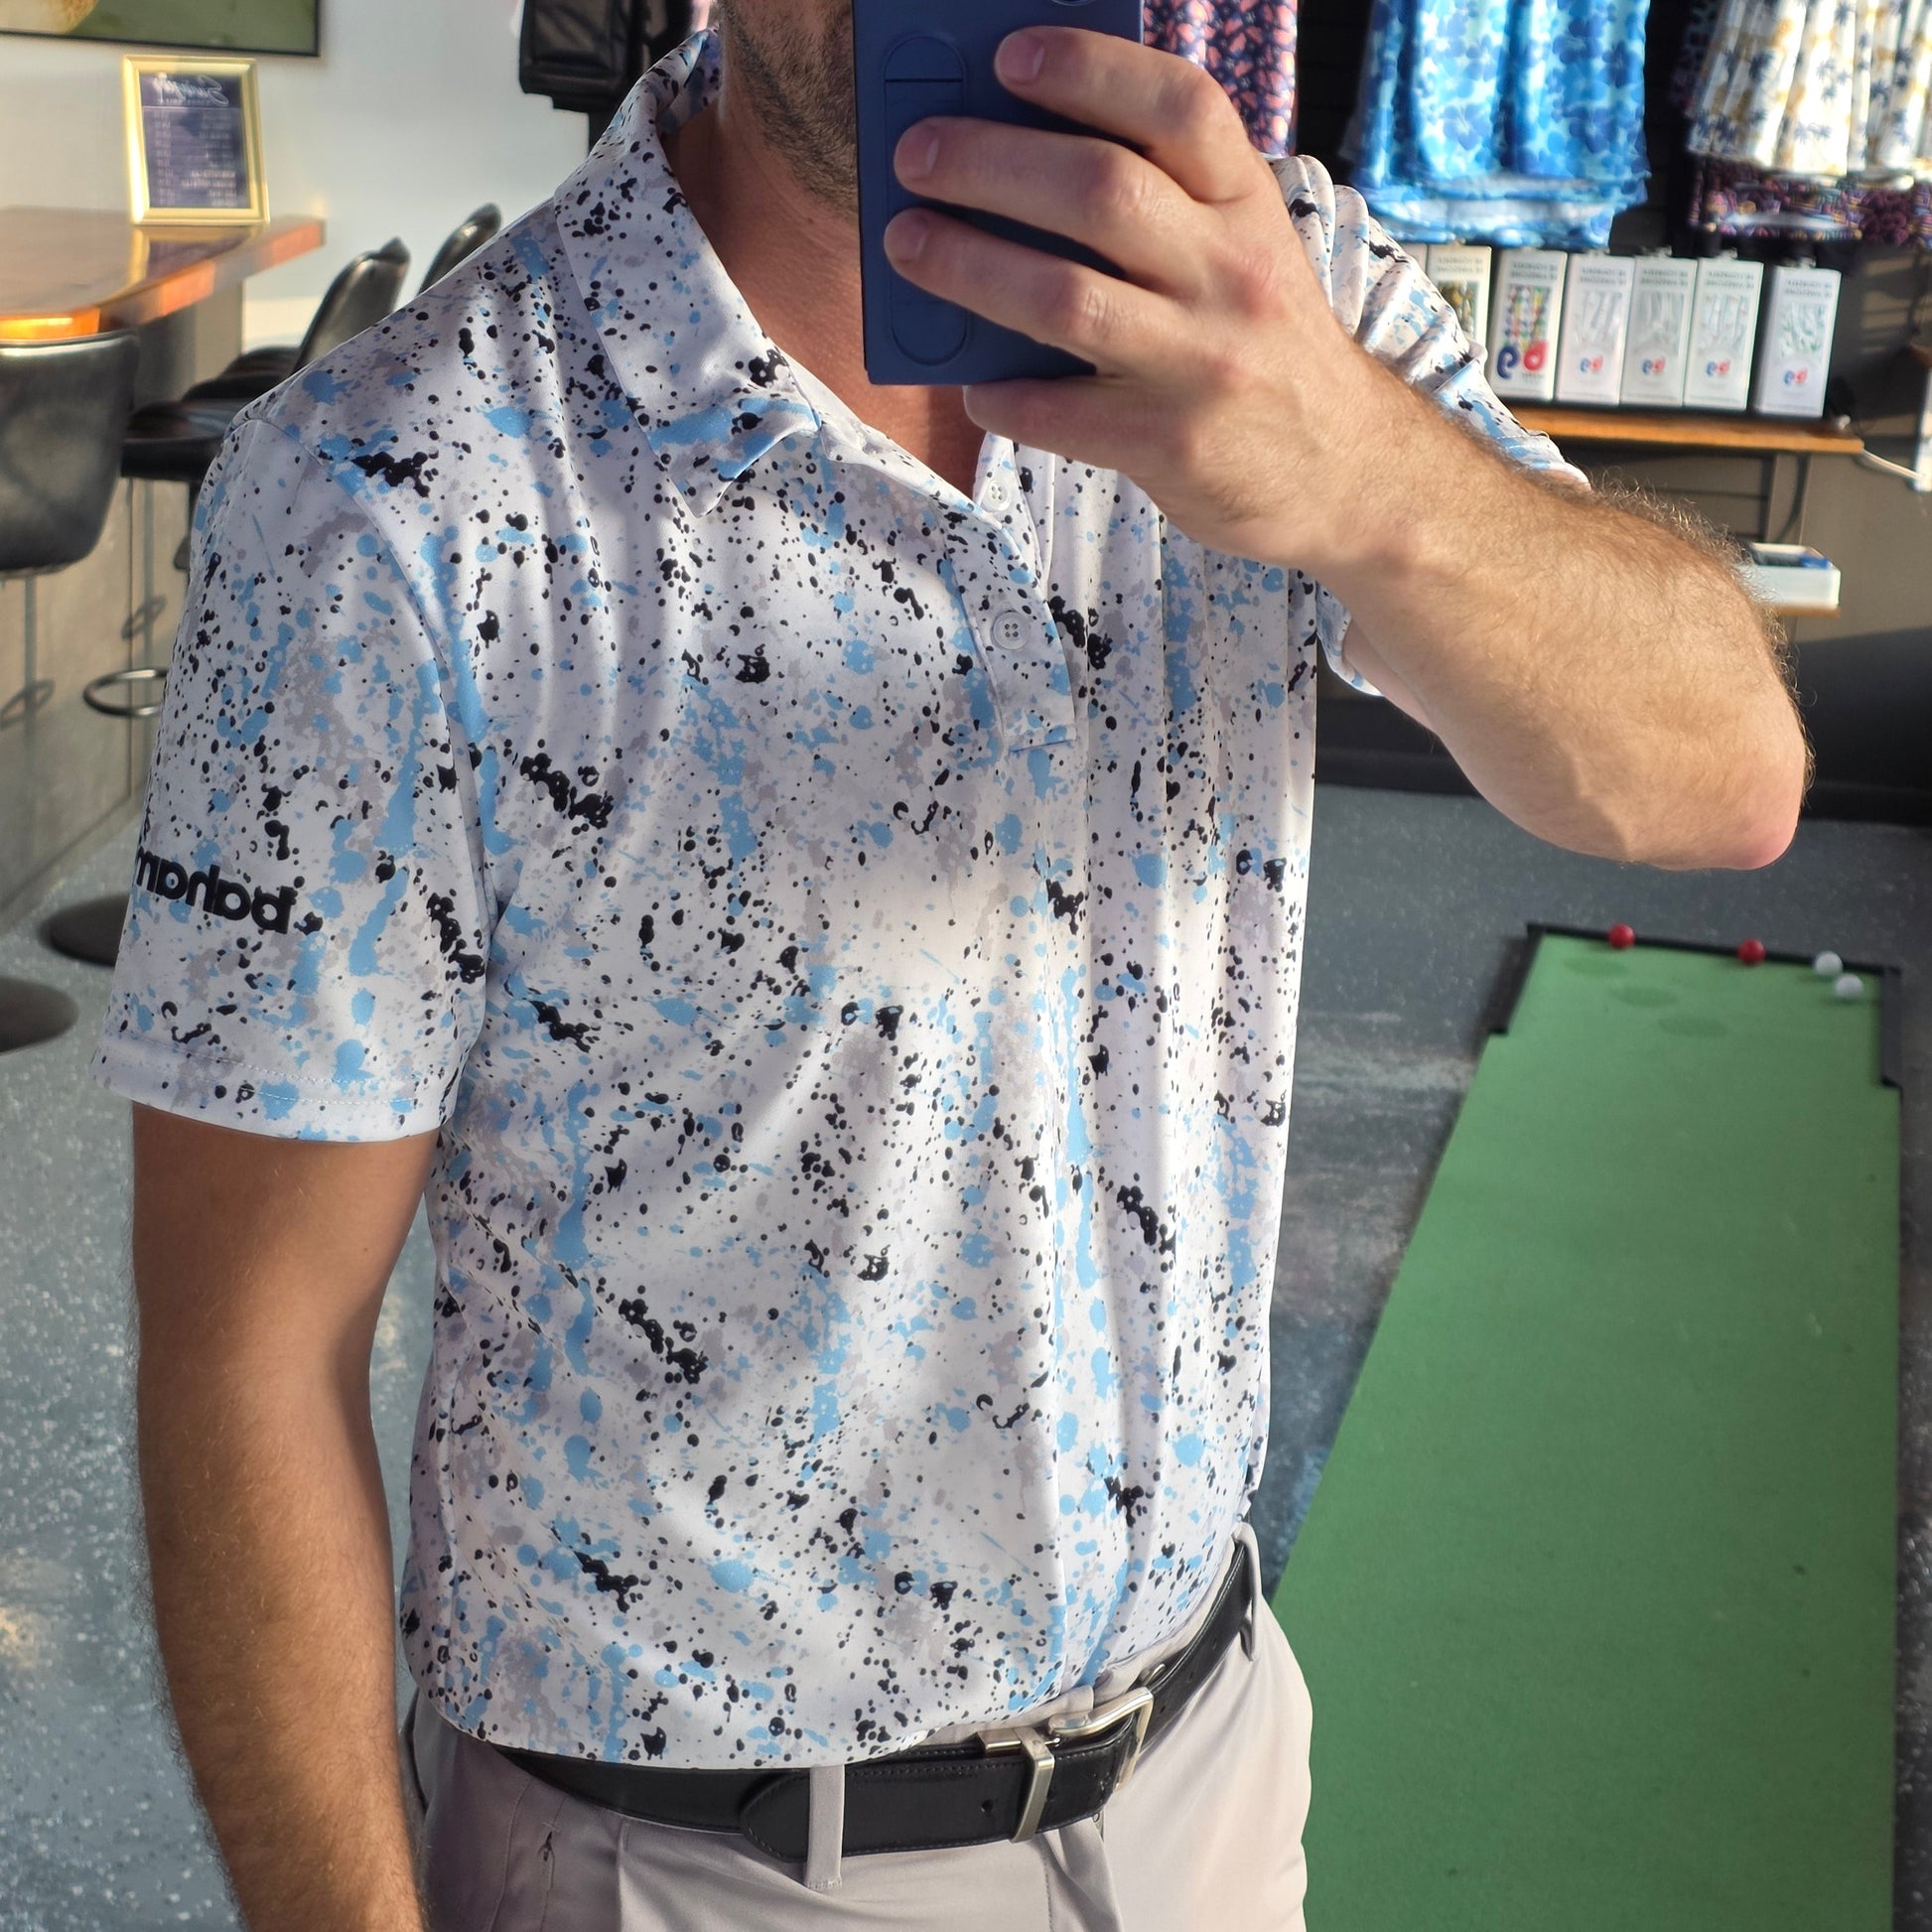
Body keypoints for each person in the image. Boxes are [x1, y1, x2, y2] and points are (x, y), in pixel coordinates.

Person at [100, 8, 1807, 1932]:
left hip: (1205, 1771)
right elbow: (252, 1352)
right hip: (700, 1862)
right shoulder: (392, 492)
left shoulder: (1276, 294)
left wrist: (1359, 472)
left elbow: (1721, 773)